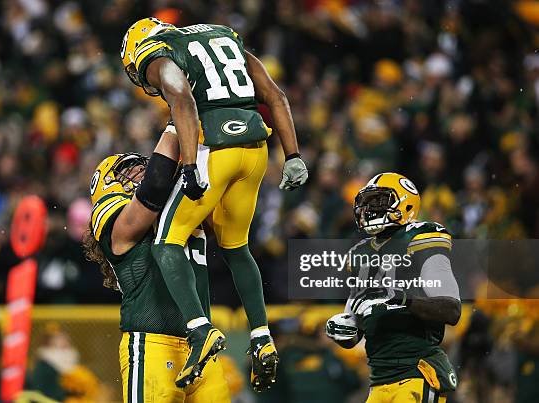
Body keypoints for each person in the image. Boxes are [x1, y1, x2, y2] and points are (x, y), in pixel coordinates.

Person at [120, 17, 308, 390]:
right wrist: (293, 155)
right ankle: (261, 335)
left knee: (166, 242)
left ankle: (199, 329)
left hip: (215, 149)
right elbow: (275, 95)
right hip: (255, 150)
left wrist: (189, 164)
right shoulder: (224, 35)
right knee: (237, 247)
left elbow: (182, 99)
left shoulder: (158, 52)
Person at [83, 128, 230, 403]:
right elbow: (154, 188)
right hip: (153, 344)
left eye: (141, 164)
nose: (141, 168)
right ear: (106, 185)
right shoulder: (113, 222)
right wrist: (179, 120)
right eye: (130, 168)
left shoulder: (178, 211)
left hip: (202, 348)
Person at [326, 172, 461, 402]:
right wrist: (347, 329)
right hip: (379, 379)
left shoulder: (422, 237)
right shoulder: (360, 252)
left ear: (406, 203)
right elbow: (359, 321)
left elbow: (451, 309)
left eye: (378, 202)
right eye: (367, 204)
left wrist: (401, 298)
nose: (369, 210)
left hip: (416, 371)